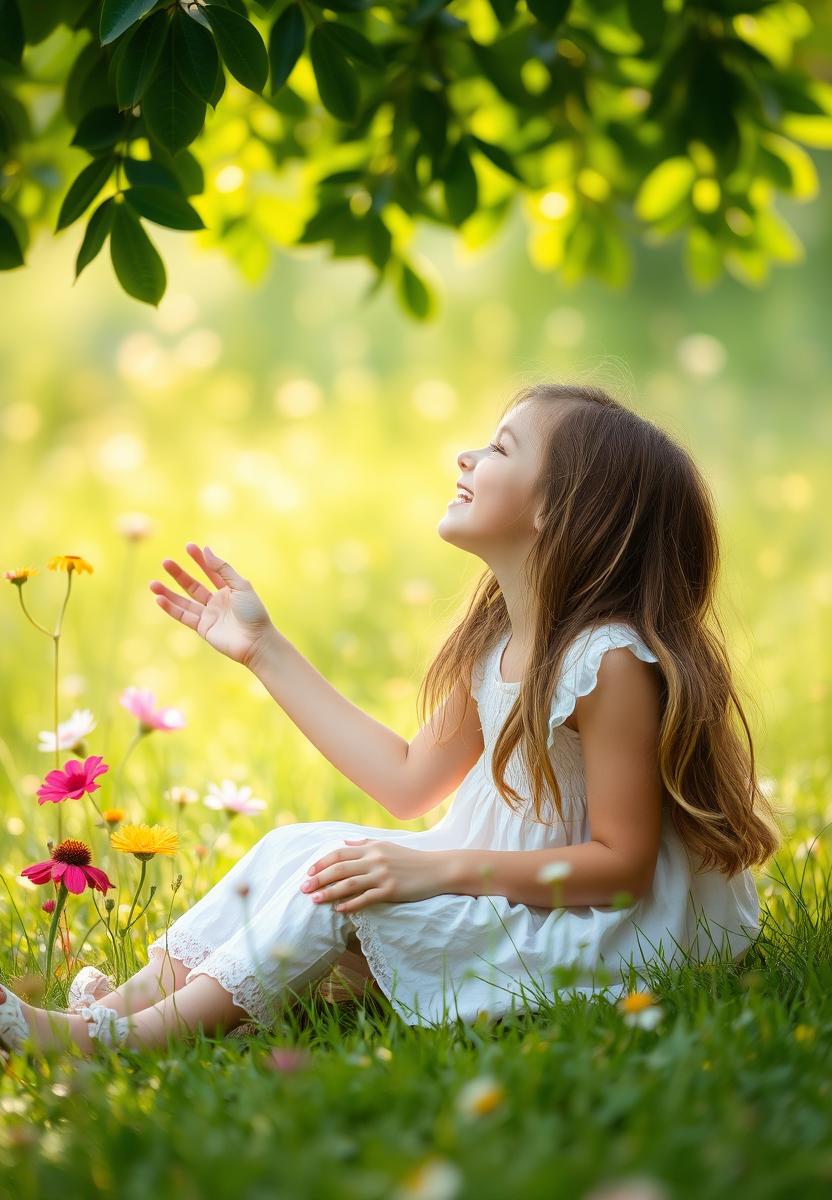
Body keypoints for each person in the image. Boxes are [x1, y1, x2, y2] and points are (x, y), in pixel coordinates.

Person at [0, 381, 781, 1058]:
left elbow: (622, 869)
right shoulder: (503, 645)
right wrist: (263, 650)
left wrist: (435, 870)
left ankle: (123, 1044)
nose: (465, 460)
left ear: (556, 508)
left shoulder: (606, 661)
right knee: (299, 849)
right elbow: (408, 784)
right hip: (517, 899)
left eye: (499, 449)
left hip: (607, 936)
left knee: (341, 885)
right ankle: (108, 1011)